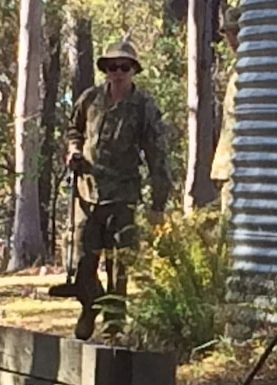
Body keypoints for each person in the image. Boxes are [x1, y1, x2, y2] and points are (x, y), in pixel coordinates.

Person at [65, 38, 172, 341]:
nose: (118, 72)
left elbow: (157, 155)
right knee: (83, 260)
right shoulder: (90, 99)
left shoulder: (144, 107)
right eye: (112, 67)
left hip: (122, 196)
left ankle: (114, 324)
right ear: (105, 70)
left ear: (133, 70)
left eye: (124, 66)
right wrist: (73, 150)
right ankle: (90, 305)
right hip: (86, 194)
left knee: (118, 264)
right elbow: (73, 129)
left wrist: (158, 204)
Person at [210, 6, 241, 216]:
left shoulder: (251, 73)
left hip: (241, 168)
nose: (231, 39)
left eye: (235, 32)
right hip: (228, 166)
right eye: (228, 33)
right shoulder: (237, 71)